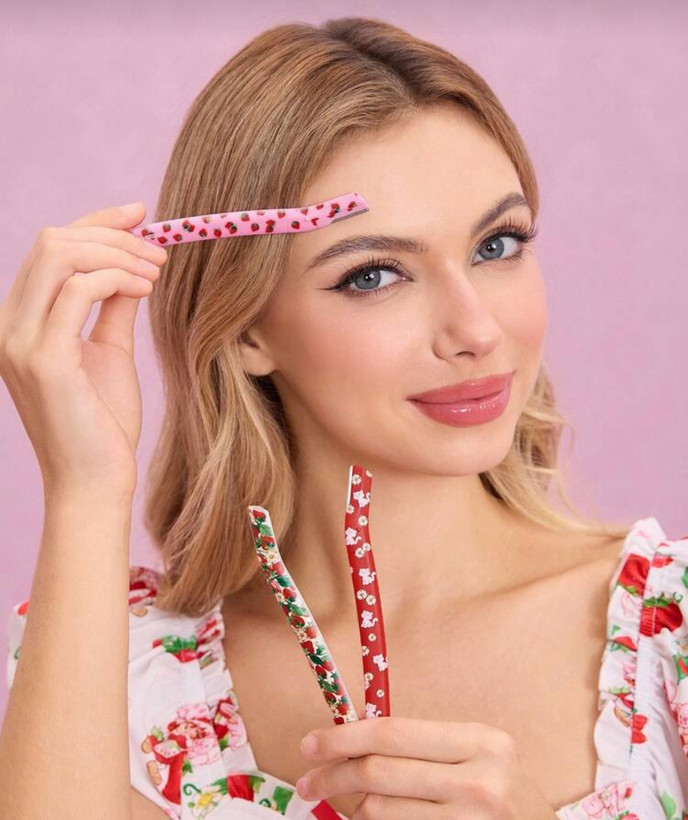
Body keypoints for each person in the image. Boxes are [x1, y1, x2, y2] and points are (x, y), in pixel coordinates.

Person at [2, 15, 686, 820]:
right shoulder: (121, 674)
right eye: (374, 274)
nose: (475, 330)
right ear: (247, 329)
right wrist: (85, 490)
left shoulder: (667, 628)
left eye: (497, 246)